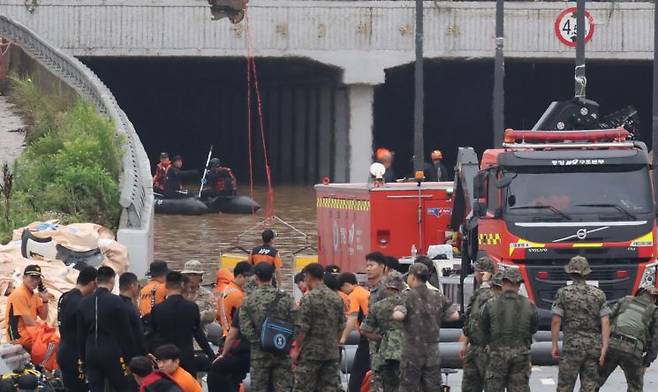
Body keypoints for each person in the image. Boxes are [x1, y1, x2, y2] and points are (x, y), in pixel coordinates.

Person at [392, 263, 459, 392]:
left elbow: (398, 315)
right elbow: (455, 315)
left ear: (412, 277)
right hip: (432, 352)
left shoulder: (407, 296)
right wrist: (437, 316)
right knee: (432, 387)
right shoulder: (437, 295)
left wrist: (397, 313)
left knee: (408, 387)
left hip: (412, 353)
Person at [551, 256, 611, 392]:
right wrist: (604, 348)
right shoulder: (599, 294)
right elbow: (605, 321)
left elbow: (556, 320)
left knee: (565, 387)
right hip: (593, 348)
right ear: (587, 273)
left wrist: (554, 344)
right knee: (590, 387)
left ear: (570, 273)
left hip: (571, 347)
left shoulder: (563, 293)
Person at [239, 262, 296, 392]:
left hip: (259, 353)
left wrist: (259, 341)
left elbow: (245, 328)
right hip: (282, 349)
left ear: (256, 277)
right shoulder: (286, 297)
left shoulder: (249, 300)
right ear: (272, 277)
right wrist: (287, 341)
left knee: (259, 388)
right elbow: (297, 322)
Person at [77, 266, 135, 392]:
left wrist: (83, 358)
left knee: (95, 388)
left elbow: (80, 335)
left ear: (96, 281)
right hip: (112, 352)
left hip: (90, 352)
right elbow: (126, 332)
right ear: (113, 281)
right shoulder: (117, 301)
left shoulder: (84, 303)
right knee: (123, 387)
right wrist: (129, 358)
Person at [480, 268, 538, 392]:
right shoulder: (529, 305)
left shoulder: (490, 304)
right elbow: (533, 328)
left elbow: (483, 328)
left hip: (496, 356)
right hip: (520, 357)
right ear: (519, 284)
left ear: (503, 283)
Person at [292, 263, 346, 392]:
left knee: (303, 387)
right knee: (330, 388)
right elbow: (342, 326)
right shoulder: (336, 297)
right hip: (331, 352)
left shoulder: (308, 298)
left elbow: (302, 328)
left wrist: (297, 349)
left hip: (311, 353)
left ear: (309, 276)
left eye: (305, 277)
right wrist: (335, 343)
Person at [150, 271, 215, 376]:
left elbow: (153, 334)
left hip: (165, 359)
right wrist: (211, 355)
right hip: (186, 357)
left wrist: (154, 356)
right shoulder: (191, 307)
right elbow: (198, 334)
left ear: (166, 285)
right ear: (182, 284)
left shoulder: (157, 309)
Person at [598, 285, 658, 391]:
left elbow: (607, 320)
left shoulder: (624, 300)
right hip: (633, 351)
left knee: (594, 382)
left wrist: (601, 345)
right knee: (635, 387)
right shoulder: (654, 311)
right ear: (654, 299)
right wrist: (646, 362)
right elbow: (655, 341)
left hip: (612, 345)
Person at [360, 271, 405, 392]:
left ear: (386, 286)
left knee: (383, 384)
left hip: (384, 353)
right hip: (408, 352)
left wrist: (381, 338)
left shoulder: (378, 306)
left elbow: (364, 330)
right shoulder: (410, 304)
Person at [57, 266, 97, 392]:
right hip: (76, 356)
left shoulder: (65, 297)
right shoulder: (81, 303)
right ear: (93, 282)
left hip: (63, 350)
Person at [460, 256, 495, 392]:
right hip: (473, 347)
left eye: (476, 272)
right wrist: (465, 343)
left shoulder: (492, 291)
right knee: (469, 386)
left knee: (490, 385)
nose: (475, 275)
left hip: (486, 349)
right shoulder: (480, 291)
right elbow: (473, 318)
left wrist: (486, 283)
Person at [6, 265, 53, 351]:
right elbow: (29, 322)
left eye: (38, 279)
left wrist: (45, 299)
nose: (35, 281)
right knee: (51, 343)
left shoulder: (33, 295)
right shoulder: (19, 294)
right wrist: (44, 332)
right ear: (24, 277)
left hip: (30, 332)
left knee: (54, 339)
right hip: (19, 336)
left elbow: (44, 316)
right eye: (32, 278)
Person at [208, 307, 250, 392]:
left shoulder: (246, 305)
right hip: (277, 352)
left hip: (249, 356)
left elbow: (231, 336)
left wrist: (223, 354)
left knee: (217, 367)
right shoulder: (282, 302)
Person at [218, 261, 253, 335]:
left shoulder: (226, 289)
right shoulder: (238, 295)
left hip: (223, 330)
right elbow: (247, 319)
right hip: (233, 335)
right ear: (240, 276)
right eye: (248, 279)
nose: (249, 282)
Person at [180, 260, 217, 330]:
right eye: (188, 274)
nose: (190, 278)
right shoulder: (177, 293)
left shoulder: (207, 295)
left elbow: (212, 315)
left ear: (200, 277)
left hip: (198, 333)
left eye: (194, 275)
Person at [119, 272, 147, 361]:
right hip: (132, 354)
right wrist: (144, 352)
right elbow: (138, 332)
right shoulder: (131, 308)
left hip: (118, 352)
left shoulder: (114, 304)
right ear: (132, 286)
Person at [338, 272, 369, 345]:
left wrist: (343, 339)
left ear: (346, 285)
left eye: (342, 290)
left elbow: (352, 318)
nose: (344, 293)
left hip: (366, 333)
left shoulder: (353, 295)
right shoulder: (364, 292)